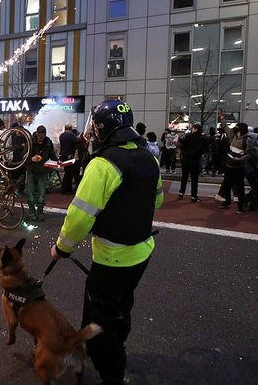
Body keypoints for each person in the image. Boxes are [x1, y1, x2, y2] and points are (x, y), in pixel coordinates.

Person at [50, 99, 163, 385]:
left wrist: (62, 247)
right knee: (121, 307)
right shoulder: (149, 157)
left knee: (98, 322)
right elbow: (157, 199)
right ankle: (118, 347)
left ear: (101, 129)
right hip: (142, 251)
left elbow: (79, 218)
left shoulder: (103, 164)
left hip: (112, 258)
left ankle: (112, 373)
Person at [217, 111, 252, 213]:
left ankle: (240, 206)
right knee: (227, 185)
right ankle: (226, 201)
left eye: (237, 126)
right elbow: (225, 127)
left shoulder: (247, 140)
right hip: (229, 165)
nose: (235, 127)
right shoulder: (233, 136)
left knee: (239, 187)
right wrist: (222, 118)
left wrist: (241, 159)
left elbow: (249, 154)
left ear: (241, 129)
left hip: (238, 166)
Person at [25, 125, 57, 221]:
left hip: (43, 170)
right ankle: (32, 211)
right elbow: (23, 156)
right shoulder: (30, 141)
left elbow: (52, 154)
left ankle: (40, 211)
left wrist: (58, 161)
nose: (40, 139)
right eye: (39, 137)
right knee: (30, 191)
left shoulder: (48, 142)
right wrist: (32, 159)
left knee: (41, 192)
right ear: (37, 134)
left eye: (42, 136)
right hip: (31, 169)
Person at [177, 123, 208, 202]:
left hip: (186, 159)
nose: (191, 129)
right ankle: (193, 196)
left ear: (195, 129)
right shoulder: (203, 139)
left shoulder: (188, 137)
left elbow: (182, 146)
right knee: (194, 179)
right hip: (195, 160)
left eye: (192, 128)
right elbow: (205, 150)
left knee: (184, 177)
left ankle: (181, 193)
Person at [59, 124, 80, 194]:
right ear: (70, 128)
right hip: (69, 156)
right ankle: (65, 189)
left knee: (67, 172)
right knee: (69, 173)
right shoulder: (71, 135)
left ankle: (66, 189)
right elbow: (77, 142)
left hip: (62, 156)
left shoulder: (61, 135)